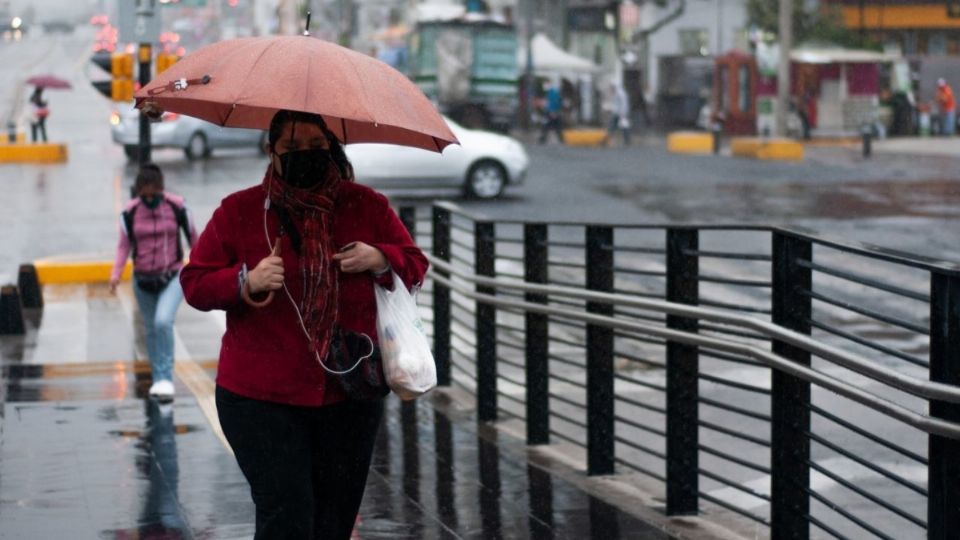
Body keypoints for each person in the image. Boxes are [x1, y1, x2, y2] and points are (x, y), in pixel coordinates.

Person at [179, 109, 428, 539]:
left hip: (349, 394)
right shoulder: (240, 211)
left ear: (331, 148)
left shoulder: (365, 205)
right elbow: (195, 282)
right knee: (287, 516)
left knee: (334, 520)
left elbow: (415, 265)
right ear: (271, 151)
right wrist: (245, 281)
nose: (305, 156)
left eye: (316, 147)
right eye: (292, 148)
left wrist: (381, 256)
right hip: (259, 398)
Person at [110, 163, 198, 402]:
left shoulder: (177, 206)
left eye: (153, 193)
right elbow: (123, 246)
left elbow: (194, 239)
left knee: (162, 322)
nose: (149, 198)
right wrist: (115, 274)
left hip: (172, 276)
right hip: (142, 280)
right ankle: (158, 376)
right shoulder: (129, 213)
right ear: (138, 192)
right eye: (144, 194)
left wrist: (203, 267)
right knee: (150, 329)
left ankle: (166, 378)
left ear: (161, 189)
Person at [538, 80, 565, 144]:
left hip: (552, 112)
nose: (544, 86)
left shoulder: (552, 93)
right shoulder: (549, 92)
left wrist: (553, 111)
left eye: (545, 85)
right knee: (553, 126)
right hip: (550, 112)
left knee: (548, 125)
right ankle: (543, 138)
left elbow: (555, 102)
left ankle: (543, 138)